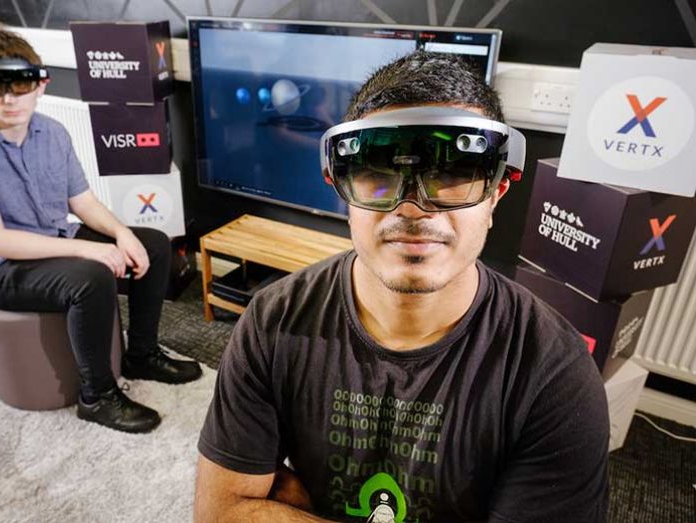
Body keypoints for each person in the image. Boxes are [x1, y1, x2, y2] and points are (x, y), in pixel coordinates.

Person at [194, 50, 609, 522]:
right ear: (341, 189)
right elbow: (219, 513)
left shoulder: (551, 372)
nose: (412, 208)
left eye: (452, 172)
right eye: (378, 171)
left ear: (496, 193)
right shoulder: (273, 321)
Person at [0, 29, 201, 434]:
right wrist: (90, 251)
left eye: (20, 86)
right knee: (90, 277)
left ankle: (141, 355)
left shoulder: (53, 132)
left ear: (41, 84)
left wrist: (122, 234)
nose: (9, 99)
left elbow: (83, 203)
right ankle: (97, 396)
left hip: (56, 237)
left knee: (155, 244)